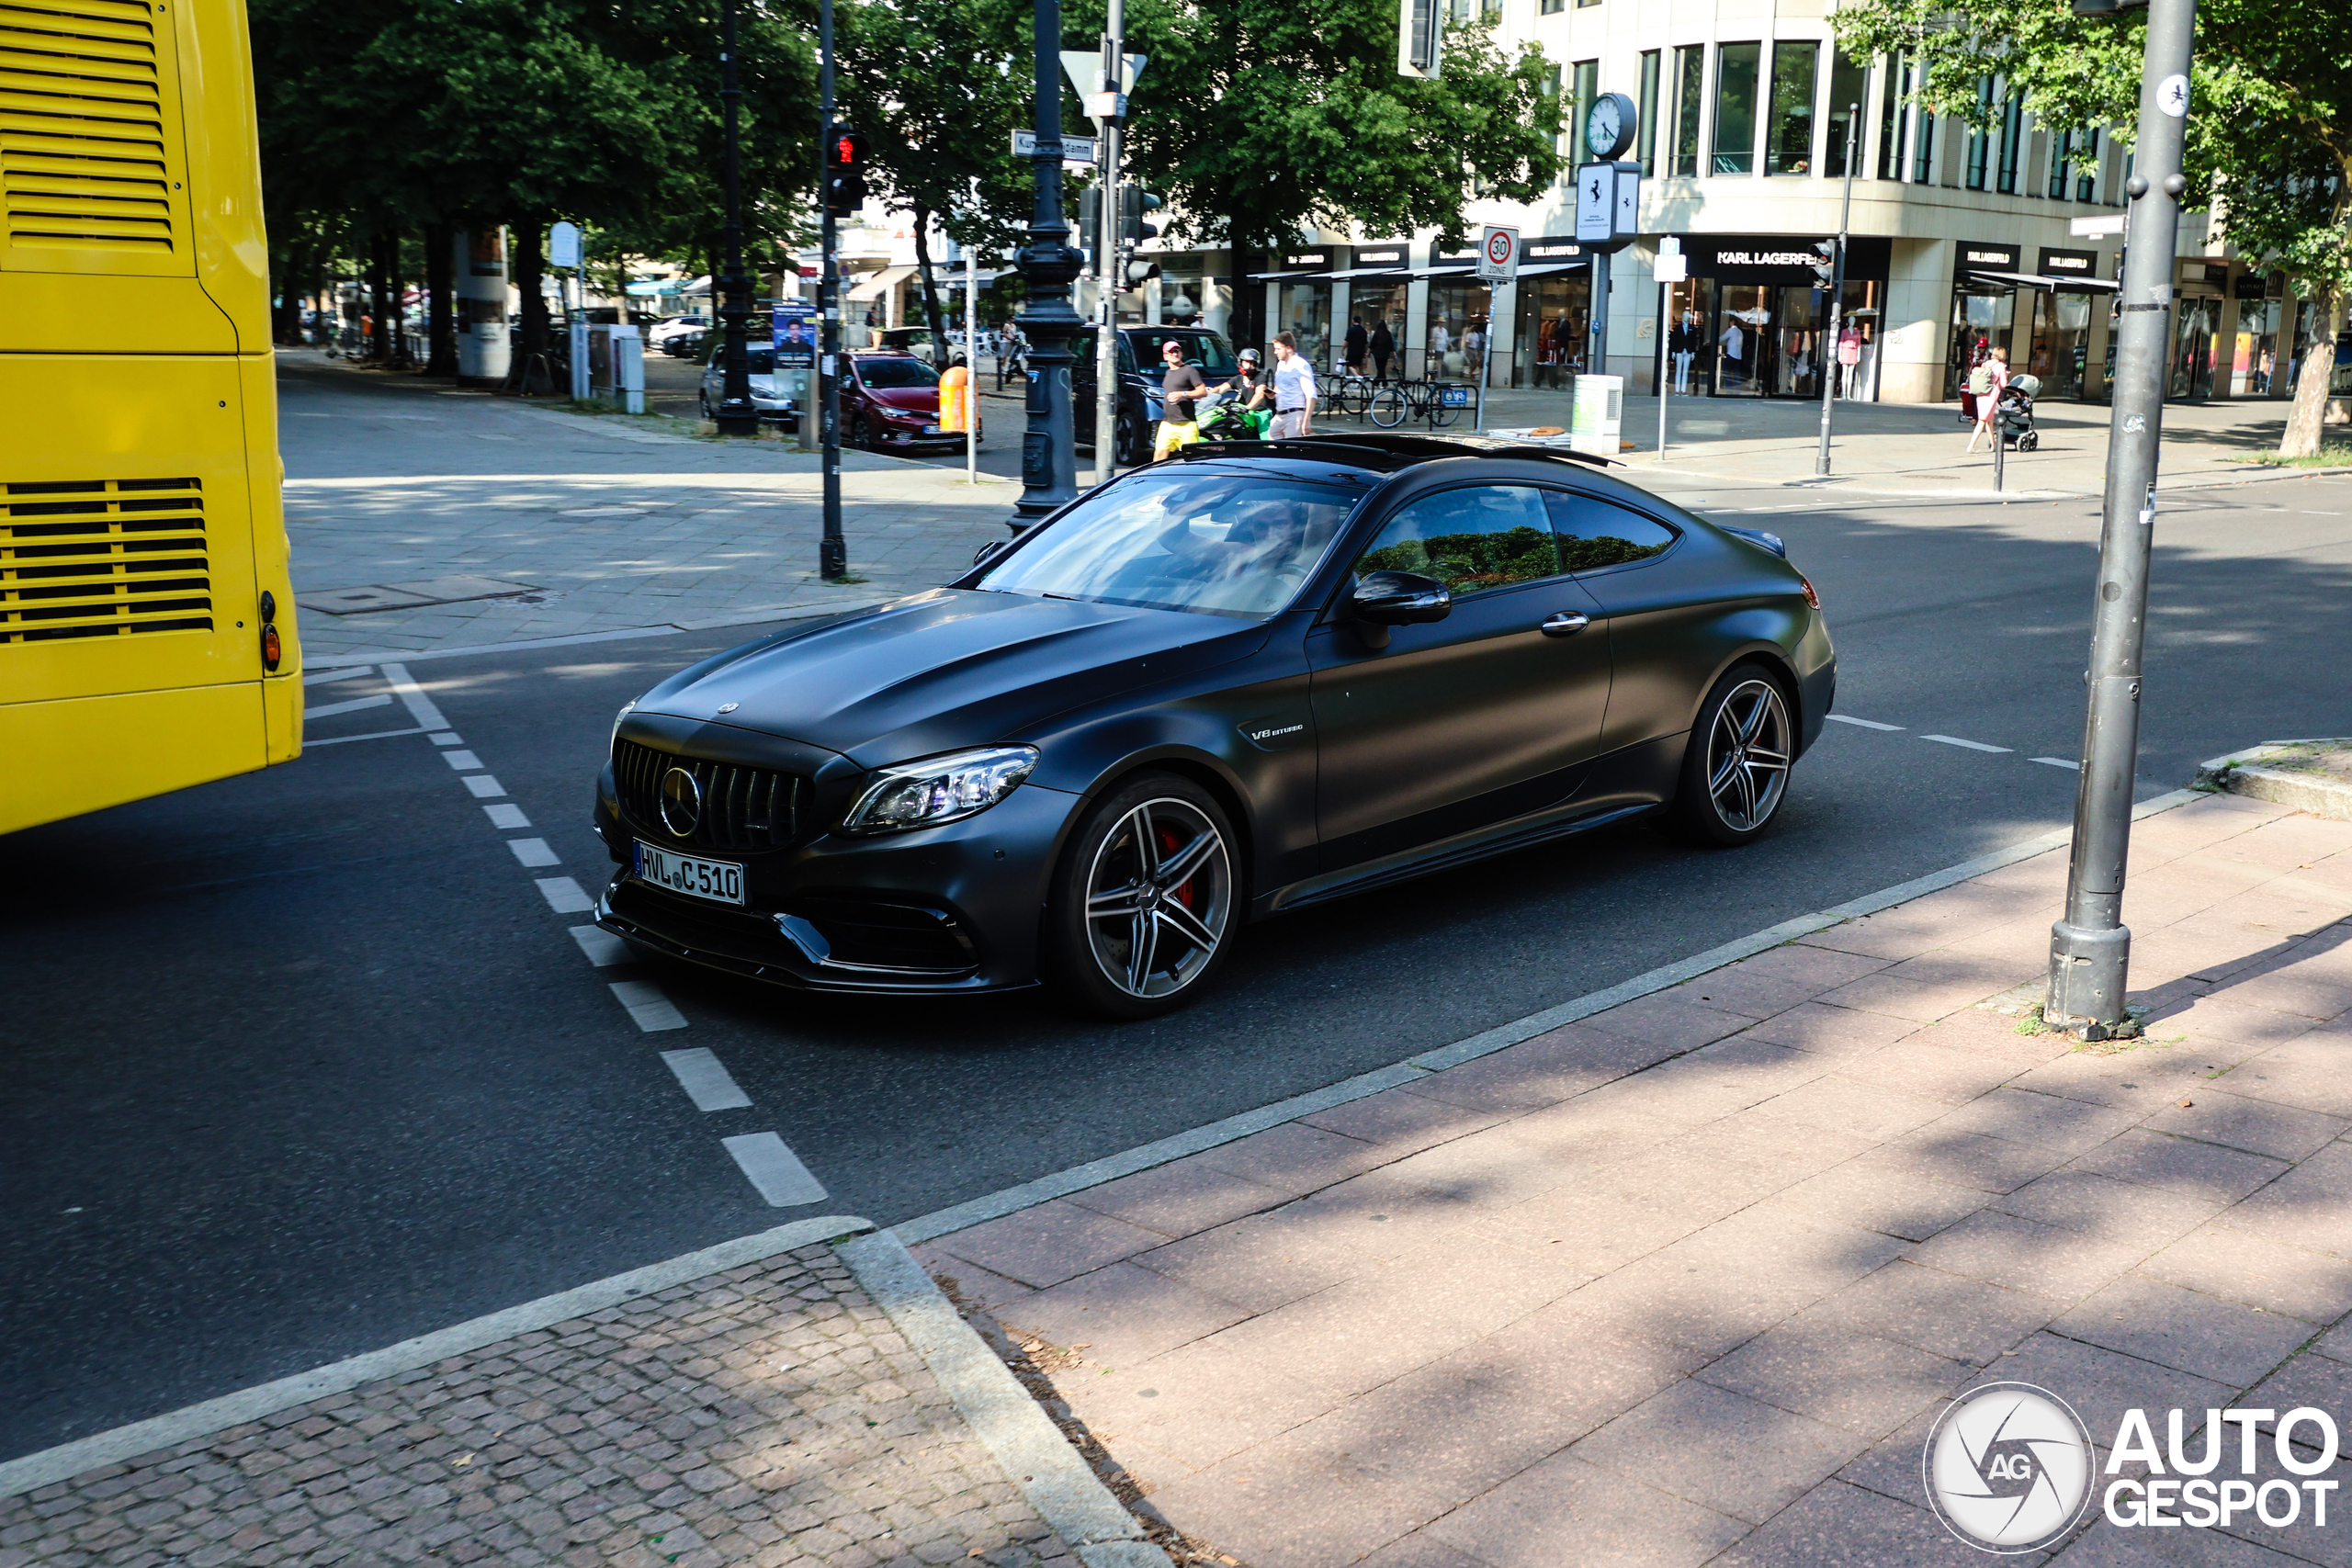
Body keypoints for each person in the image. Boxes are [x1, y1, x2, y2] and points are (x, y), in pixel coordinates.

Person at [1152, 337, 1212, 460]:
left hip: (1186, 424)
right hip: (1168, 423)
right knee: (1158, 456)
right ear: (1165, 356)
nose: (1175, 354)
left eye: (1177, 351)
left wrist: (1183, 394)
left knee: (1192, 460)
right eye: (1171, 352)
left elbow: (1202, 391)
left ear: (1181, 353)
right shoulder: (1168, 373)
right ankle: (1157, 479)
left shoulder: (1189, 370)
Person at [1268, 331, 1317, 439]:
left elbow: (1311, 395)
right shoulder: (1281, 364)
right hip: (1279, 413)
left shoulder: (1301, 365)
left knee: (1291, 449)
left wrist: (1307, 420)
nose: (1275, 352)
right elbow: (1280, 385)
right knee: (1272, 443)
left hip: (1294, 414)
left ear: (1289, 348)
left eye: (1278, 349)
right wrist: (1273, 393)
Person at [1963, 346, 2008, 454]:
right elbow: (2003, 384)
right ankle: (1971, 445)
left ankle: (1994, 444)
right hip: (1991, 395)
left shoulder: (1986, 363)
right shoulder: (2001, 366)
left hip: (1981, 393)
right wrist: (2006, 375)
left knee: (1989, 420)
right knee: (1982, 420)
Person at [1368, 317, 1395, 382]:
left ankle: (1378, 382)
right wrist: (1394, 352)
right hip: (1385, 353)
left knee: (1379, 368)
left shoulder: (1376, 333)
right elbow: (1391, 344)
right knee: (1382, 368)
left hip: (1377, 353)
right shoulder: (1388, 333)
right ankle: (1379, 382)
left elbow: (1372, 344)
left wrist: (1368, 352)